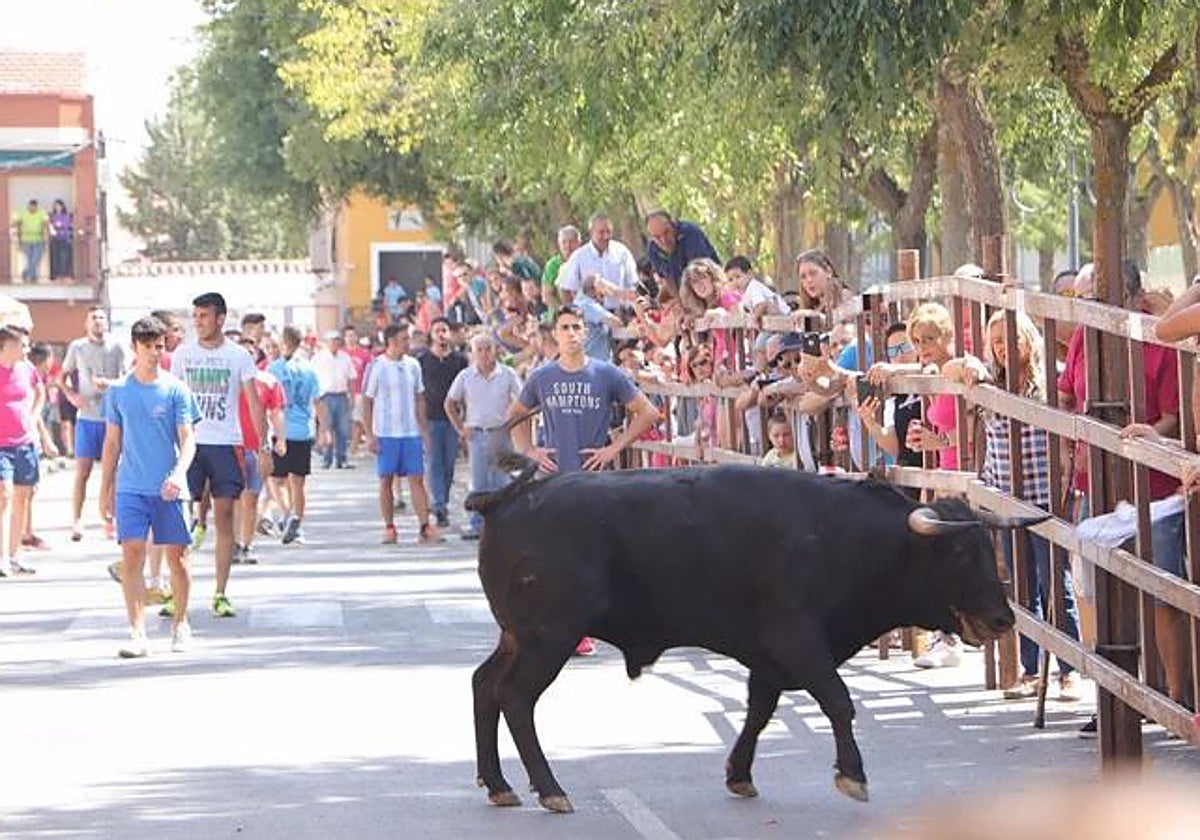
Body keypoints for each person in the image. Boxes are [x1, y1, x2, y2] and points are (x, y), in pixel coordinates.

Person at [946, 310, 1082, 701]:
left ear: (1028, 338)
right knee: (1022, 589)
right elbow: (951, 369)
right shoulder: (991, 380)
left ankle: (1068, 669)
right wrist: (969, 363)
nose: (1004, 349)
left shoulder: (1050, 380)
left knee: (1056, 584)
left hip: (1044, 496)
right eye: (996, 342)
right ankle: (1030, 667)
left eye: (1010, 339)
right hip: (1007, 497)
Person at [507, 305, 658, 655]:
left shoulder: (607, 374)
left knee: (592, 558)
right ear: (555, 335)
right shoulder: (542, 377)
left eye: (577, 327)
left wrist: (614, 447)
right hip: (553, 482)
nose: (572, 333)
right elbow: (515, 415)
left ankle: (589, 626)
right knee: (552, 557)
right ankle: (561, 627)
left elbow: (647, 411)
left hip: (592, 482)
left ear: (585, 333)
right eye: (565, 327)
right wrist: (530, 451)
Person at [99, 316, 198, 657]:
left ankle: (181, 624)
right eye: (148, 347)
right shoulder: (118, 392)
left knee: (178, 559)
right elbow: (112, 443)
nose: (155, 353)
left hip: (169, 489)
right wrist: (104, 490)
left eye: (160, 346)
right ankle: (137, 632)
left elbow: (188, 440)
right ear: (134, 347)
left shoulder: (176, 389)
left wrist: (178, 474)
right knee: (131, 555)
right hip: (130, 487)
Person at [172, 292, 265, 618]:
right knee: (179, 519)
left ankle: (220, 593)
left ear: (221, 319)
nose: (198, 322)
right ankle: (176, 590)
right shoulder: (183, 354)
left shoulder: (238, 355)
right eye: (195, 316)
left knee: (225, 517)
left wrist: (261, 445)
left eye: (204, 316)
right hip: (190, 445)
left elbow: (254, 401)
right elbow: (173, 398)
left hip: (227, 444)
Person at [363, 322, 441, 545]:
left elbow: (419, 397)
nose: (408, 342)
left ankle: (425, 526)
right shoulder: (377, 366)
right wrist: (370, 434)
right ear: (391, 342)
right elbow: (367, 401)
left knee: (417, 479)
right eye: (404, 339)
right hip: (386, 433)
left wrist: (423, 429)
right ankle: (389, 527)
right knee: (386, 480)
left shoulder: (413, 365)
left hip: (410, 432)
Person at [445, 333, 522, 540]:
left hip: (500, 433)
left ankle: (503, 524)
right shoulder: (466, 376)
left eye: (488, 348)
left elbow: (522, 400)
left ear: (496, 350)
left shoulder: (507, 374)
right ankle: (477, 524)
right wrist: (461, 428)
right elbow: (450, 403)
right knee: (479, 483)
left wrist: (512, 423)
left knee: (501, 481)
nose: (485, 353)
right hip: (476, 434)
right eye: (479, 349)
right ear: (473, 353)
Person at [60, 307, 127, 542]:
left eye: (101, 318)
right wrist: (71, 396)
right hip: (87, 417)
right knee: (83, 471)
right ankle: (77, 521)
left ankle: (111, 520)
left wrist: (109, 383)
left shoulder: (118, 347)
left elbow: (128, 376)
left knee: (112, 473)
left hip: (112, 419)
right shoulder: (77, 347)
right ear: (86, 323)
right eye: (94, 318)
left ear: (107, 323)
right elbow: (62, 376)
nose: (98, 322)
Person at [0, 327, 50, 577]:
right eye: (22, 345)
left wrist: (34, 416)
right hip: (1, 445)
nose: (27, 350)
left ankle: (14, 555)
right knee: (4, 494)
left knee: (22, 498)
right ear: (6, 346)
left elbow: (40, 392)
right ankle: (1, 558)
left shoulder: (27, 369)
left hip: (25, 443)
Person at [268, 326, 323, 546]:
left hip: (281, 429)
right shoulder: (309, 369)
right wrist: (322, 428)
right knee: (298, 483)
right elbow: (317, 400)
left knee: (275, 479)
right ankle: (296, 521)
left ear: (284, 343)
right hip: (302, 429)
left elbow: (269, 401)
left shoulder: (274, 368)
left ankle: (286, 513)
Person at [235, 337, 287, 563]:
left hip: (257, 447)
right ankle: (234, 543)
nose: (247, 355)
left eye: (250, 351)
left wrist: (280, 439)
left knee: (252, 497)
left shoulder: (268, 381)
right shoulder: (228, 381)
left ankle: (246, 545)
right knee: (233, 498)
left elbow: (276, 412)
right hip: (230, 446)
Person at [417, 318, 467, 529]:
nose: (441, 334)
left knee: (449, 464)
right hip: (431, 419)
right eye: (437, 330)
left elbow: (466, 392)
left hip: (453, 420)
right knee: (434, 462)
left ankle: (442, 499)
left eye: (444, 330)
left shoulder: (459, 361)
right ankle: (439, 505)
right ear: (431, 334)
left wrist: (464, 420)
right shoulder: (422, 360)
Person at [556, 213, 640, 309]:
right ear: (591, 232)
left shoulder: (621, 252)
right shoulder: (579, 257)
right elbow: (565, 287)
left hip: (622, 312)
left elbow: (634, 283)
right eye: (601, 232)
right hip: (593, 317)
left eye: (608, 232)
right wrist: (572, 311)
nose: (606, 236)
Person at [644, 211, 720, 294]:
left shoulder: (690, 233)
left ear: (673, 225)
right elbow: (666, 280)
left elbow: (701, 272)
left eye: (666, 232)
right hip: (685, 297)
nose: (664, 240)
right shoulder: (652, 249)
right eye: (657, 237)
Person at [312, 330, 355, 469]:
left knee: (343, 429)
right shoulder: (318, 358)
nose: (334, 343)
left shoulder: (345, 357)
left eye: (336, 340)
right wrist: (315, 397)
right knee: (326, 427)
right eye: (331, 340)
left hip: (341, 395)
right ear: (326, 343)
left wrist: (351, 396)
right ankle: (327, 458)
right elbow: (312, 378)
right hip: (325, 396)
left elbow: (351, 378)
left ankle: (341, 458)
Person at [543, 225, 581, 309]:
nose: (568, 245)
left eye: (571, 241)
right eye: (564, 242)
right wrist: (562, 309)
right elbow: (547, 296)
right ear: (559, 244)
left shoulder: (585, 261)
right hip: (559, 313)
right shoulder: (552, 265)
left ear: (578, 243)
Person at [11, 198, 48, 283]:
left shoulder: (41, 213)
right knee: (29, 259)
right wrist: (14, 230)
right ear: (28, 206)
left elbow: (46, 223)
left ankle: (26, 274)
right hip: (26, 240)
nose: (32, 208)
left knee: (35, 259)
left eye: (34, 207)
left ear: (36, 207)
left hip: (38, 240)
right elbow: (15, 222)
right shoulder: (23, 213)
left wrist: (46, 237)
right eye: (30, 206)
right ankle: (32, 276)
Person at [48, 199, 73, 280]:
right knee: (55, 257)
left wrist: (60, 227)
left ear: (62, 206)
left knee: (64, 257)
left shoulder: (66, 216)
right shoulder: (52, 216)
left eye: (59, 205)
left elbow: (68, 226)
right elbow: (50, 226)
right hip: (55, 239)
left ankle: (64, 274)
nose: (57, 207)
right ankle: (56, 274)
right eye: (56, 206)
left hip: (65, 239)